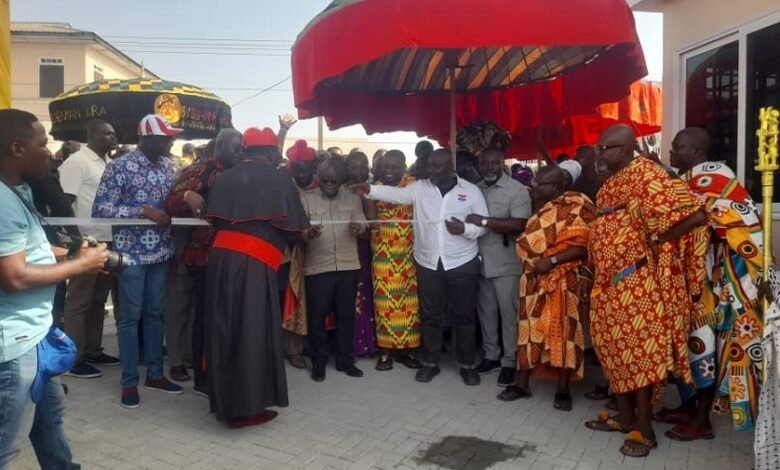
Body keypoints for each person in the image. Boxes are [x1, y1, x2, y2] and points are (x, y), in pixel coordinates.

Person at [585, 124, 708, 458]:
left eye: (605, 148)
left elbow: (696, 214)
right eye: (598, 148)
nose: (599, 154)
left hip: (636, 282)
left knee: (639, 357)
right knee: (614, 350)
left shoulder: (648, 176)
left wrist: (657, 239)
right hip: (608, 284)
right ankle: (625, 419)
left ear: (626, 149)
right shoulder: (611, 183)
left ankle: (645, 430)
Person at [0, 108, 109, 469]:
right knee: (6, 446)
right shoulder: (1, 201)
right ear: (17, 148)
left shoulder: (17, 190)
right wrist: (81, 266)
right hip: (14, 349)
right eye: (42, 144)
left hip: (33, 339)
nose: (49, 152)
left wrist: (68, 252)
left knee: (50, 431)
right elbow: (13, 276)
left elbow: (26, 250)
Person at [656, 128, 764, 439]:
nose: (671, 153)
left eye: (678, 148)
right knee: (690, 341)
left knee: (708, 345)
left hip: (720, 283)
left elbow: (713, 216)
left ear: (697, 151)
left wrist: (662, 237)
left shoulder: (715, 175)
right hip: (694, 278)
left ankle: (702, 421)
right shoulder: (689, 180)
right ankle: (689, 406)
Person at [351, 149, 489, 386]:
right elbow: (396, 195)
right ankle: (430, 363)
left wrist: (464, 230)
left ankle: (467, 365)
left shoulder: (470, 191)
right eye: (429, 166)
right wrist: (369, 190)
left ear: (450, 167)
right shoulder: (419, 188)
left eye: (437, 167)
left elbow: (483, 225)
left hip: (461, 262)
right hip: (428, 262)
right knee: (430, 315)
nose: (430, 171)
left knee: (464, 315)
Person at [204, 126, 310, 428]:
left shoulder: (223, 178)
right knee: (252, 332)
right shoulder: (279, 179)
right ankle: (246, 410)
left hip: (221, 260)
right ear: (270, 152)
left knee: (223, 328)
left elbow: (215, 220)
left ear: (247, 150)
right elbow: (297, 230)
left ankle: (224, 402)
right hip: (253, 263)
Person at [93, 114, 184, 408]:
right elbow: (101, 210)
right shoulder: (120, 167)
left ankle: (155, 374)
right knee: (130, 317)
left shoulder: (169, 167)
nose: (171, 141)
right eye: (166, 137)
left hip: (160, 252)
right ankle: (129, 381)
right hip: (131, 254)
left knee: (156, 313)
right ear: (146, 138)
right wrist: (143, 211)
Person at [497, 165, 595, 410]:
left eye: (542, 184)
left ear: (558, 188)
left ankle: (563, 390)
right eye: (535, 181)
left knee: (565, 332)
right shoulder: (532, 205)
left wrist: (552, 260)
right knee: (528, 330)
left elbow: (584, 246)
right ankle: (522, 384)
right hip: (532, 279)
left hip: (564, 278)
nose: (534, 186)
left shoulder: (576, 205)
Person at [163, 128, 244, 391]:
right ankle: (185, 364)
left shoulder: (243, 172)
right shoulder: (199, 171)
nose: (240, 152)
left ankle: (206, 363)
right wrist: (187, 196)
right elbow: (169, 203)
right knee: (190, 312)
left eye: (241, 147)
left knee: (212, 314)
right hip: (196, 253)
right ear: (219, 147)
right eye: (235, 148)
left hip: (230, 254)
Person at [59, 119, 120, 379]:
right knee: (78, 302)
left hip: (106, 240)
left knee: (97, 301)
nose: (113, 138)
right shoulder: (77, 162)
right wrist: (76, 241)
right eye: (108, 133)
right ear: (93, 135)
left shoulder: (107, 163)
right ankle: (73, 358)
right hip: (86, 241)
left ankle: (93, 350)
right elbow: (65, 204)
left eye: (114, 133)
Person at [466, 149, 530, 386]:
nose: (490, 167)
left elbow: (519, 225)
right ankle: (491, 355)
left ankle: (510, 361)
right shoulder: (474, 188)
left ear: (502, 163)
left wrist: (484, 222)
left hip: (506, 261)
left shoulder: (517, 190)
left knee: (509, 314)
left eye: (495, 162)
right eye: (485, 163)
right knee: (486, 312)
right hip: (480, 261)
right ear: (479, 165)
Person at [301, 160, 367, 381]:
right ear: (317, 177)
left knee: (346, 316)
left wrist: (359, 227)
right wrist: (307, 234)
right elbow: (299, 230)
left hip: (348, 265)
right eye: (324, 180)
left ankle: (344, 360)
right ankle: (319, 362)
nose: (329, 184)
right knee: (317, 317)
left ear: (342, 180)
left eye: (334, 181)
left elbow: (364, 222)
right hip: (318, 267)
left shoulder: (352, 198)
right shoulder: (305, 199)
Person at [370, 150, 422, 371]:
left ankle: (407, 350)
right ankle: (385, 352)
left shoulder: (414, 186)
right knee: (384, 305)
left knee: (409, 306)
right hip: (383, 253)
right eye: (385, 167)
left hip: (410, 253)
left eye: (394, 167)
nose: (389, 171)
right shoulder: (372, 188)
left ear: (404, 168)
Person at [346, 151, 378, 358]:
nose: (359, 171)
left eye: (363, 165)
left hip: (365, 248)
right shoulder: (338, 190)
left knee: (365, 293)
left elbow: (373, 225)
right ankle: (350, 342)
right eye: (354, 167)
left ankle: (368, 342)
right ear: (347, 169)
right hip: (345, 248)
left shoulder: (373, 191)